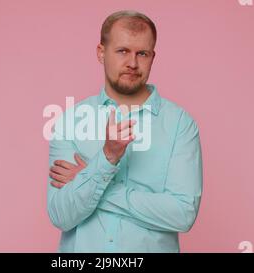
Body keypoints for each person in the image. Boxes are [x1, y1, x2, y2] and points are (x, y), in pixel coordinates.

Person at [46, 10, 203, 253]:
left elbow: (183, 214)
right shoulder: (70, 121)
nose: (132, 63)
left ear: (153, 57)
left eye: (142, 53)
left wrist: (90, 178)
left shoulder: (180, 124)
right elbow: (61, 215)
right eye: (122, 51)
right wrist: (108, 157)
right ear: (101, 53)